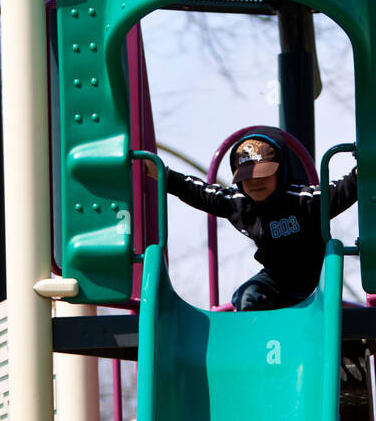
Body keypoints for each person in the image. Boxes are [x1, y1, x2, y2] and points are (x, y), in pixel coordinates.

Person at [145, 130, 357, 310]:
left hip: (317, 283)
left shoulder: (303, 201)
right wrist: (164, 175)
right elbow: (198, 191)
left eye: (263, 175)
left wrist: (360, 173)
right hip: (276, 282)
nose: (255, 183)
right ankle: (260, 350)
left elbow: (340, 192)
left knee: (330, 313)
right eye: (246, 178)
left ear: (281, 173)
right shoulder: (238, 204)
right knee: (248, 296)